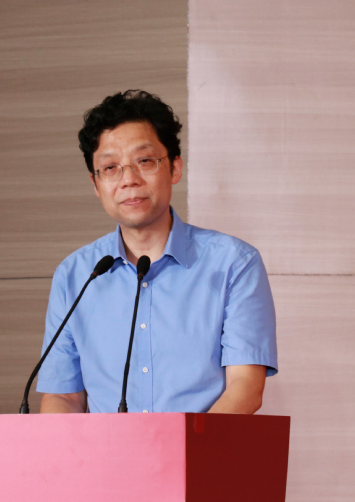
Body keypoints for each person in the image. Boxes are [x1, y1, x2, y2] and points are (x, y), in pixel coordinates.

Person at [36, 90, 277, 414]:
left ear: (175, 167)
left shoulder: (234, 264)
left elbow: (245, 387)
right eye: (110, 167)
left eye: (144, 161)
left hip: (200, 447)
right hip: (106, 450)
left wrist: (185, 446)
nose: (129, 180)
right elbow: (63, 396)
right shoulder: (75, 275)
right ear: (95, 184)